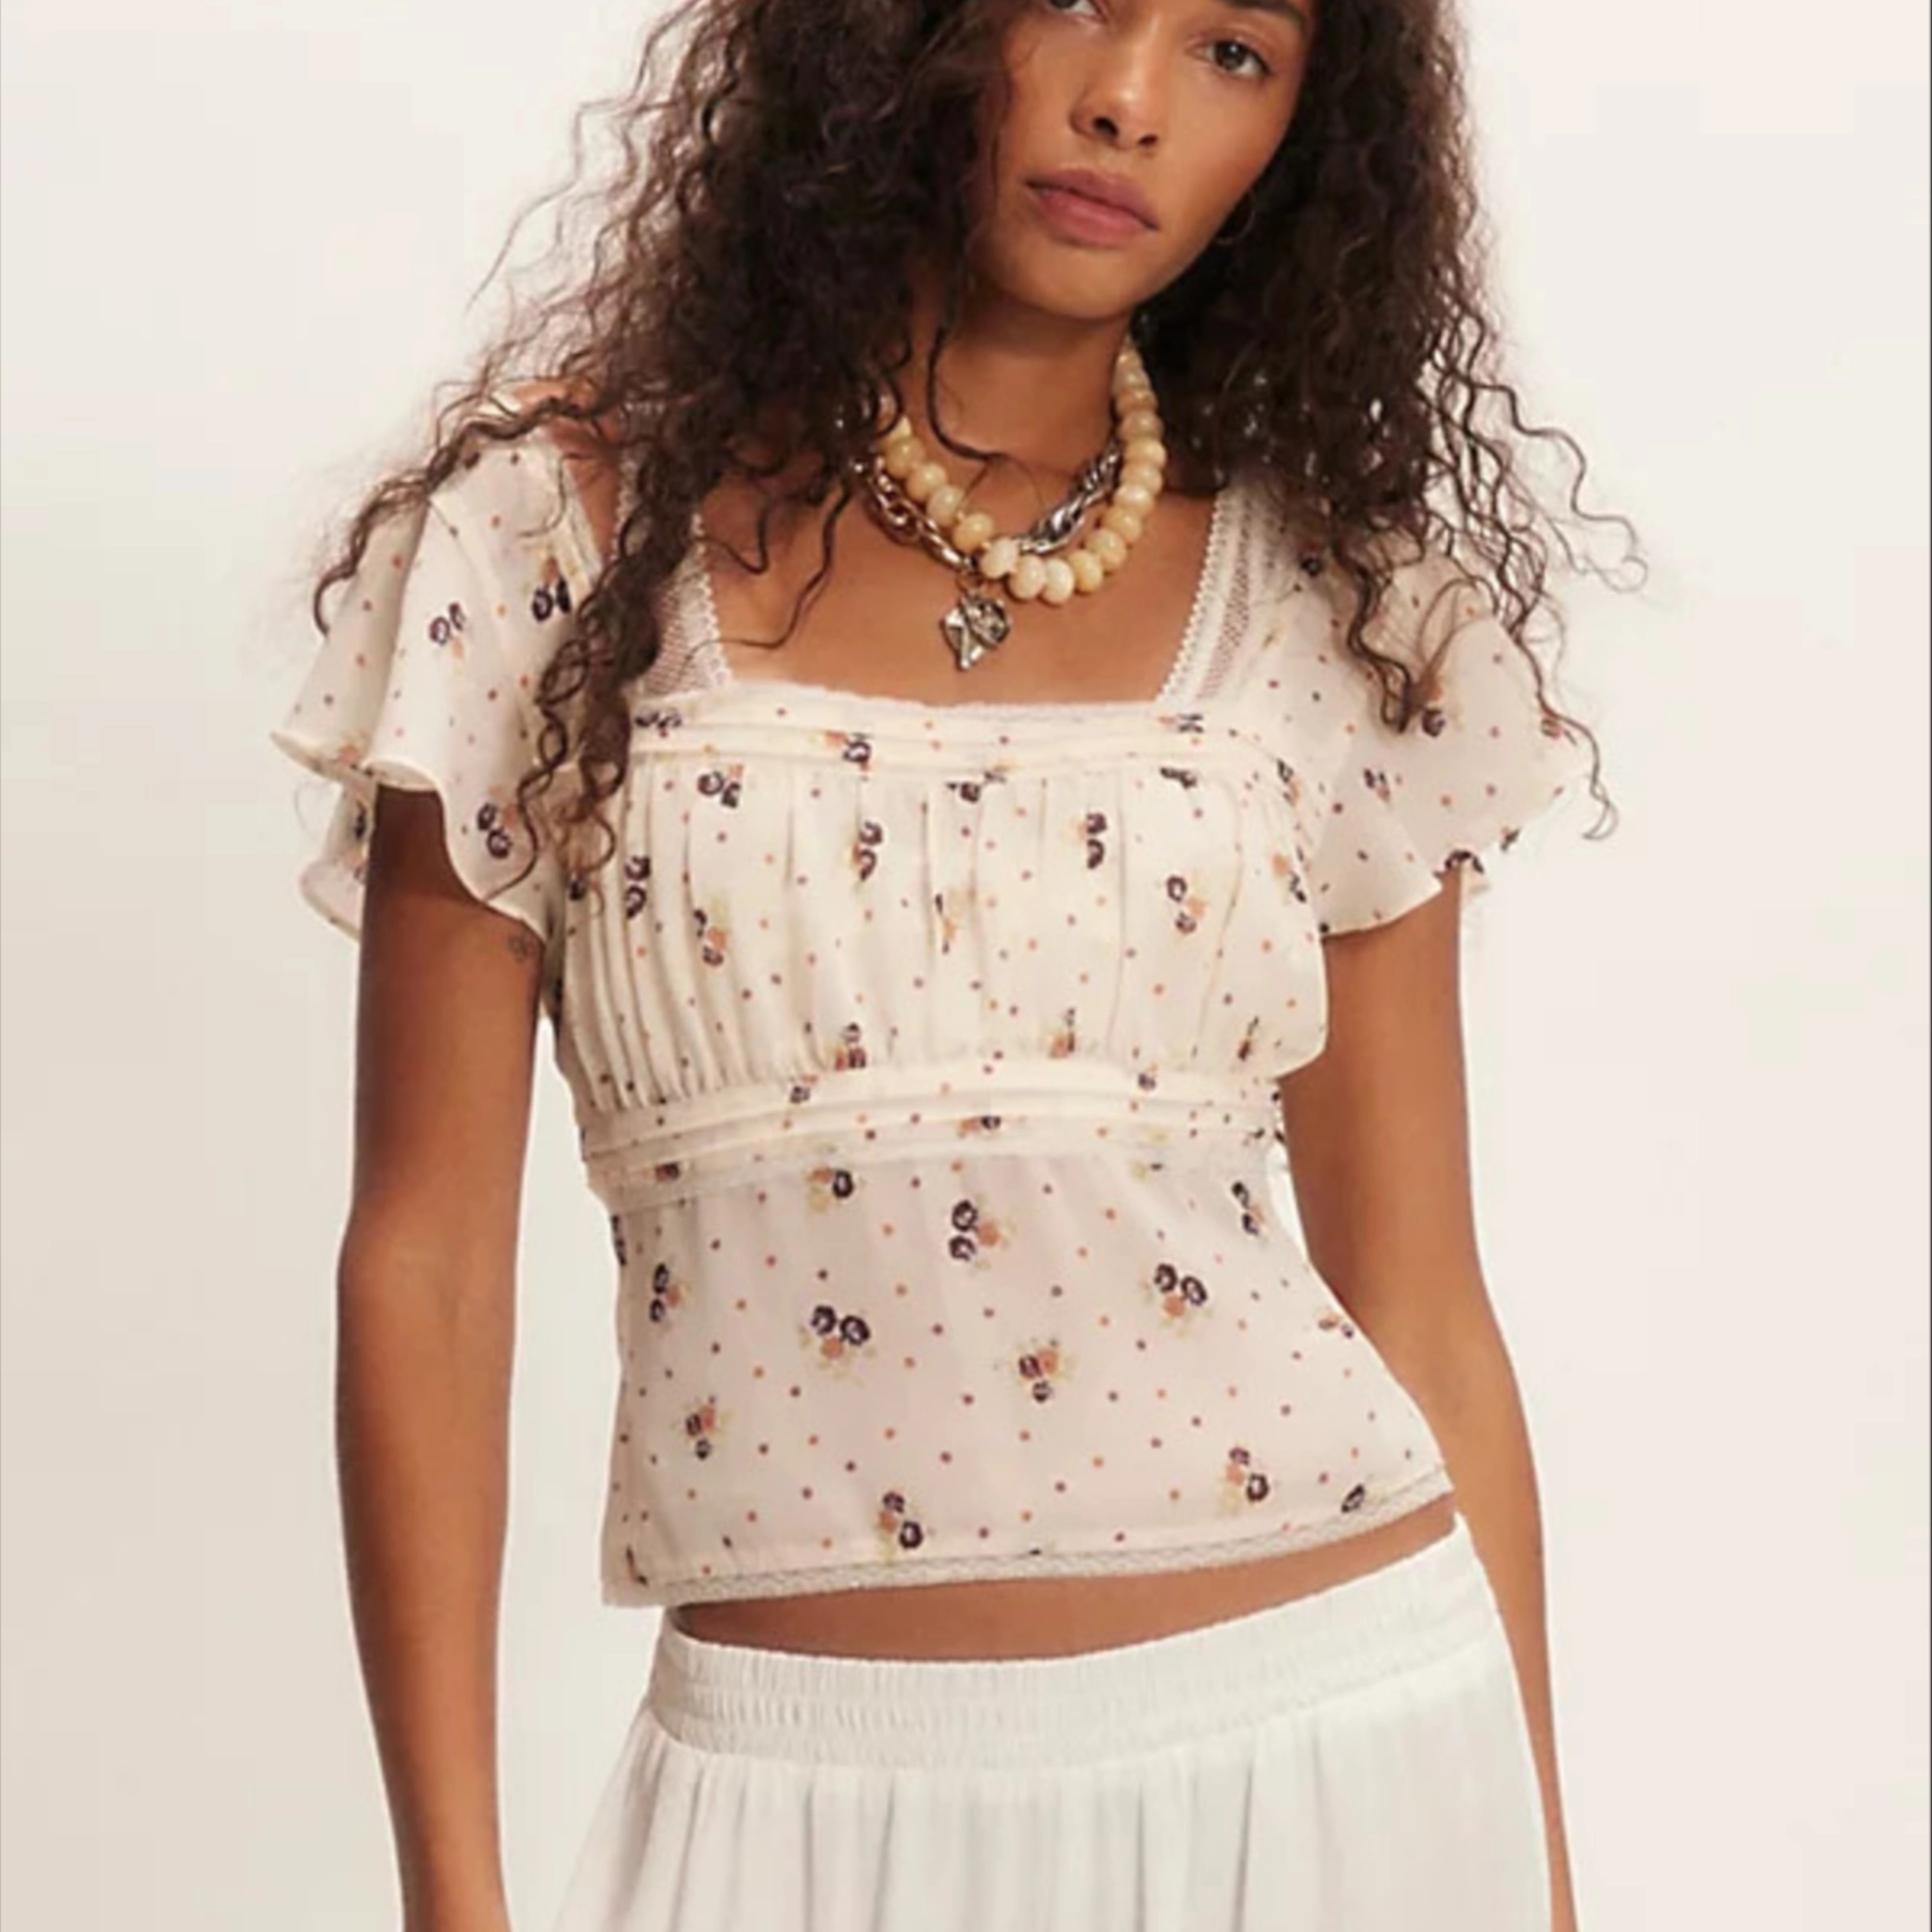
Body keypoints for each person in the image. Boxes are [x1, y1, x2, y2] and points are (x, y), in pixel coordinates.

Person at [270, 1, 1632, 1927]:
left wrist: (1547, 1888)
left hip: (1336, 1754)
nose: (1127, 101)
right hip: (790, 1805)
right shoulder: (551, 551)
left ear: (1309, 140)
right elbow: (422, 1264)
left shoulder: (1340, 608)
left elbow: (1417, 1293)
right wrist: (450, 1899)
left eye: (1233, 50)